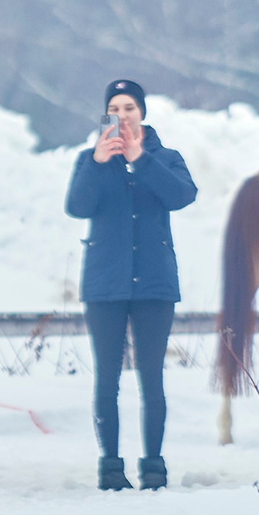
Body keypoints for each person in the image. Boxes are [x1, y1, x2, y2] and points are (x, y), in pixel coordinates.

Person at [64, 79, 197, 490]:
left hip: (155, 283)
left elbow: (182, 196)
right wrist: (99, 162)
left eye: (129, 108)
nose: (122, 116)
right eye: (115, 109)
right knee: (107, 377)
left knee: (151, 376)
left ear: (143, 113)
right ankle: (110, 465)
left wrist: (140, 159)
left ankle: (153, 464)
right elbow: (77, 206)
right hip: (105, 284)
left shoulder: (167, 157)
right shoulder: (90, 159)